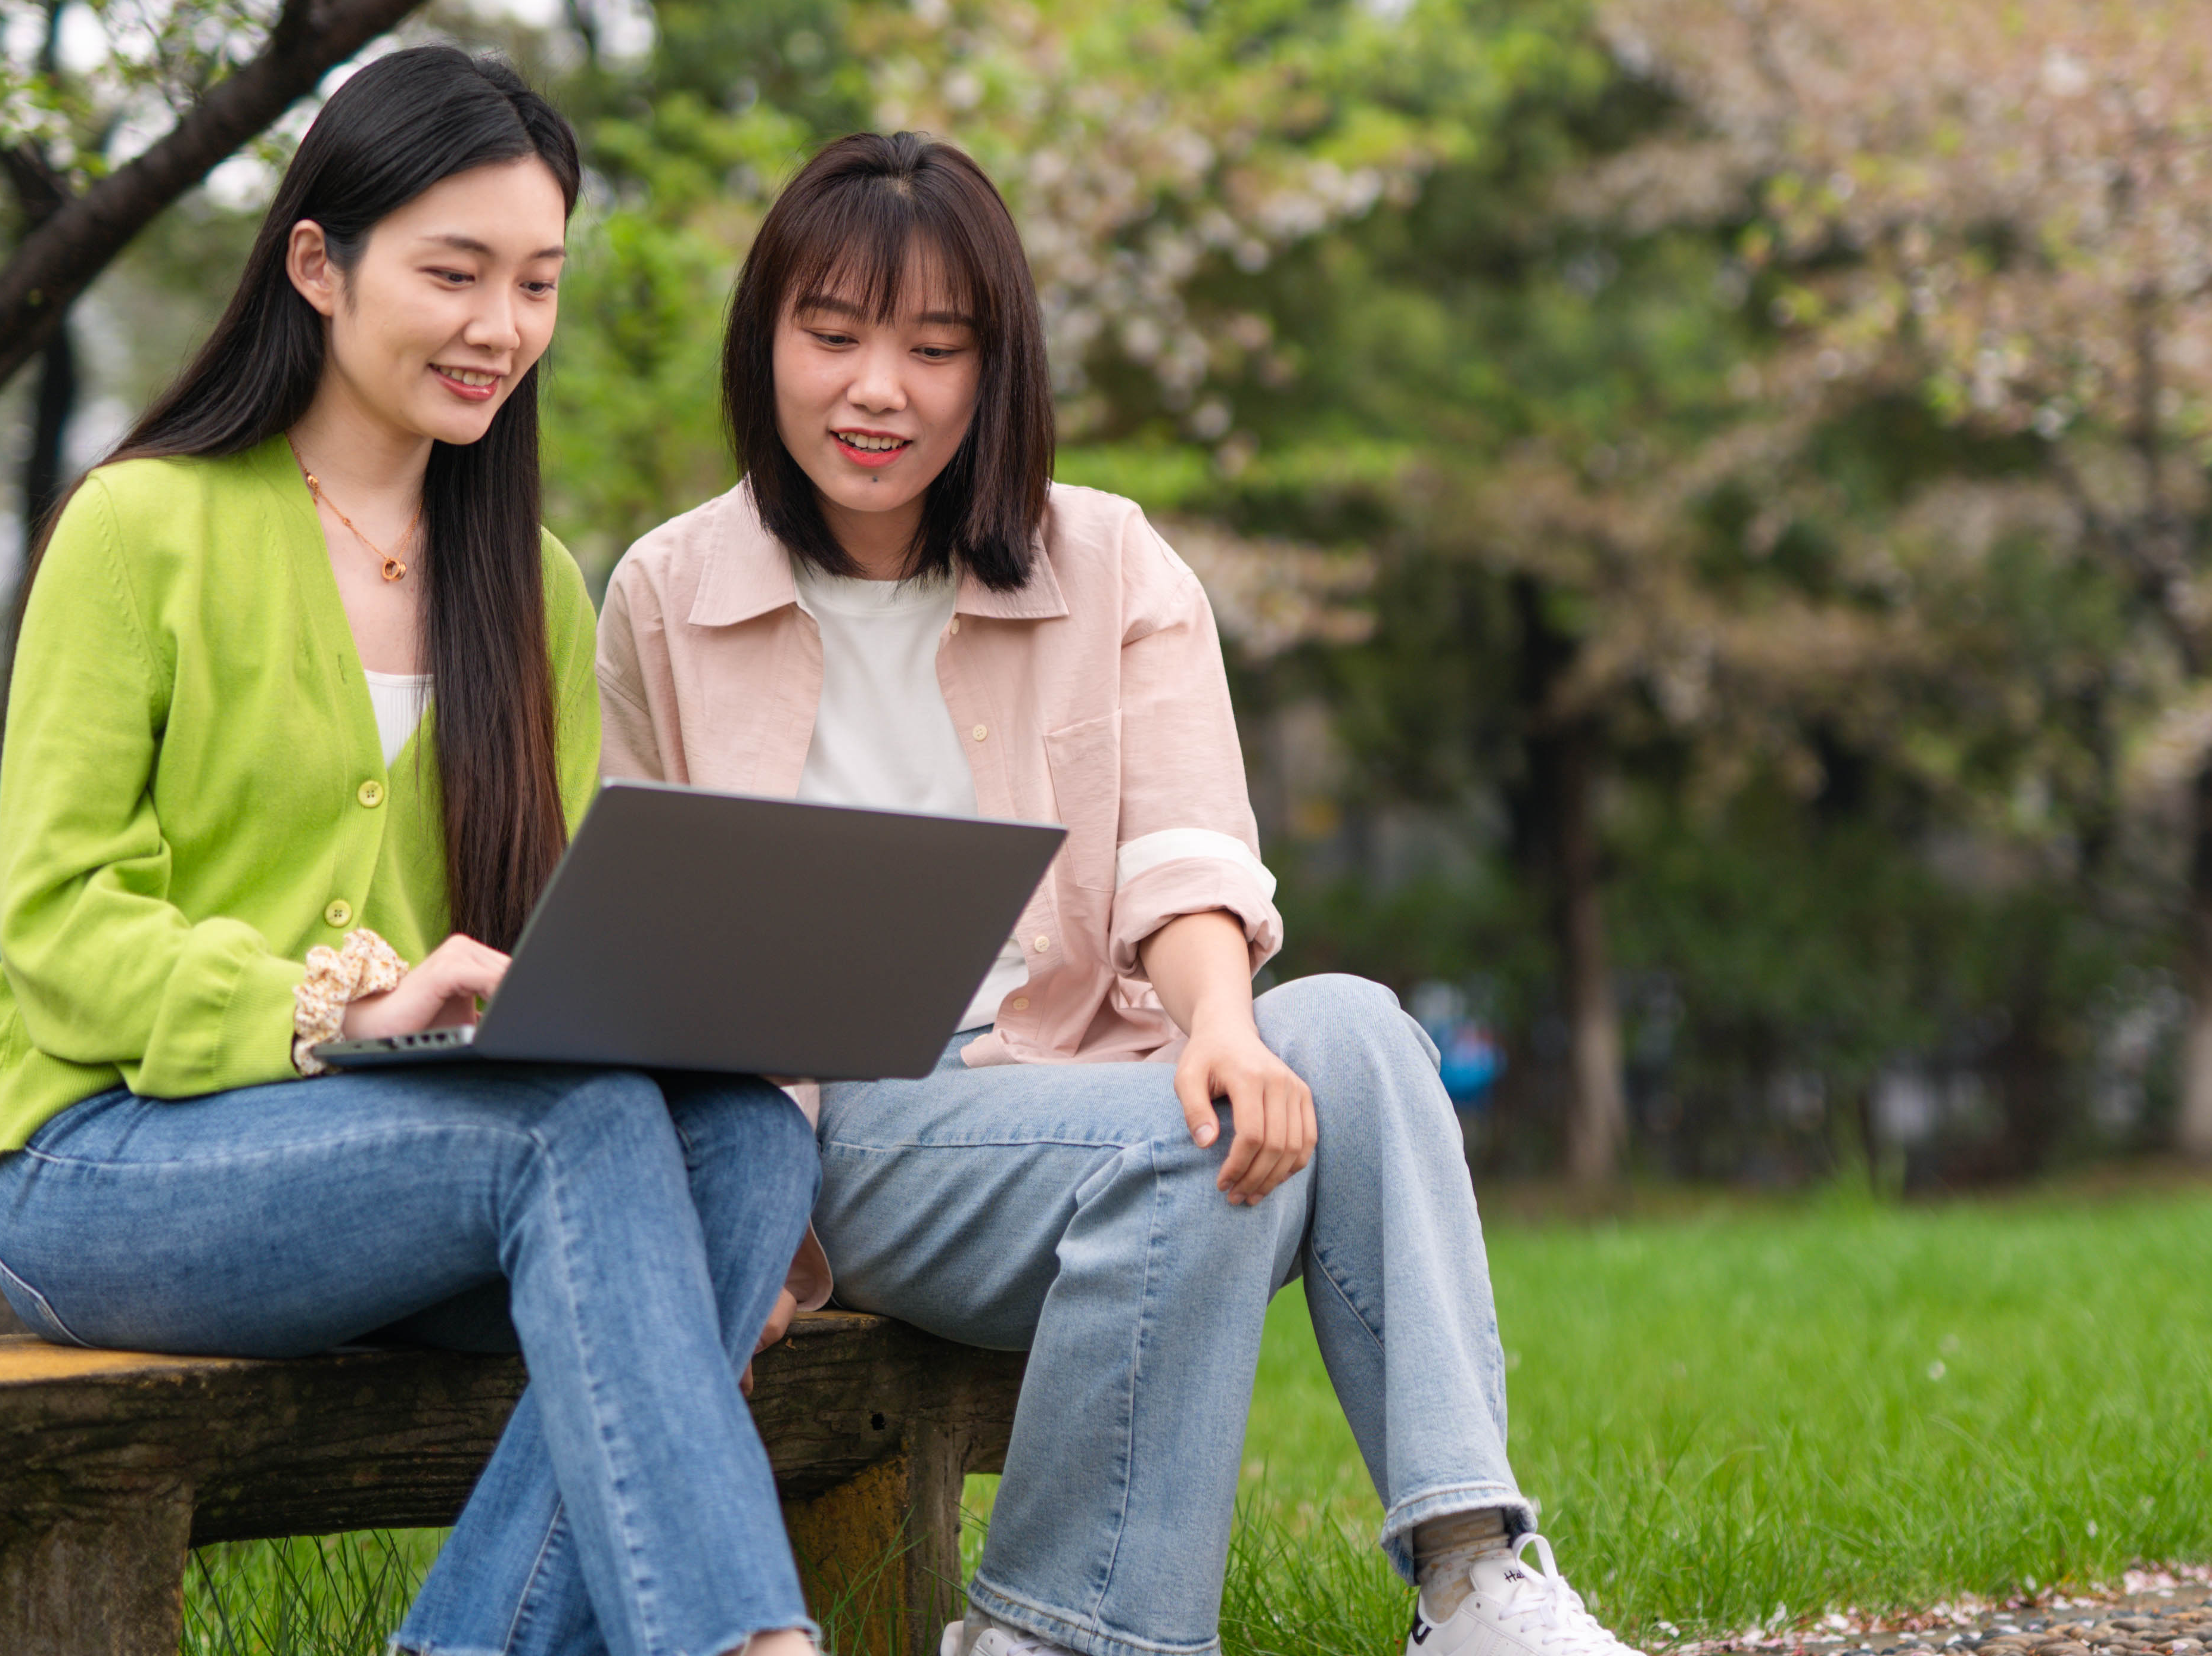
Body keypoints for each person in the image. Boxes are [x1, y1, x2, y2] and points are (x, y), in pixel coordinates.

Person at [594, 132, 1649, 1656]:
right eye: (829, 336)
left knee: (1342, 1027)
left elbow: (1189, 845)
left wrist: (1221, 1017)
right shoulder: (666, 590)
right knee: (1206, 1132)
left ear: (993, 367)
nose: (874, 387)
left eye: (931, 347)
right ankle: (1061, 1629)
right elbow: (653, 930)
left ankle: (1473, 1567)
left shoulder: (1108, 559)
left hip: (1095, 1072)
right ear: (766, 344)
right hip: (847, 1126)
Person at [0, 47, 819, 1656]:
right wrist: (338, 1003)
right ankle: (748, 1643)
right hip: (106, 1166)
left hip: (408, 1176)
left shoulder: (533, 587)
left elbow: (540, 953)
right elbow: (61, 933)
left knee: (751, 1147)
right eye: (455, 272)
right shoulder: (141, 527)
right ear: (316, 264)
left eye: (538, 283)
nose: (501, 327)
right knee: (570, 1135)